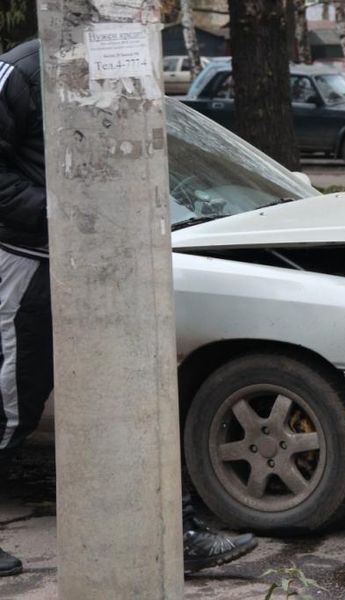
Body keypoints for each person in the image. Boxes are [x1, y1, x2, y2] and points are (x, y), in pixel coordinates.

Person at [0, 39, 257, 577]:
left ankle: (173, 534)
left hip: (114, 262)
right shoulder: (22, 71)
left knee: (137, 396)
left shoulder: (125, 55)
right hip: (31, 264)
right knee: (13, 406)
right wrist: (66, 212)